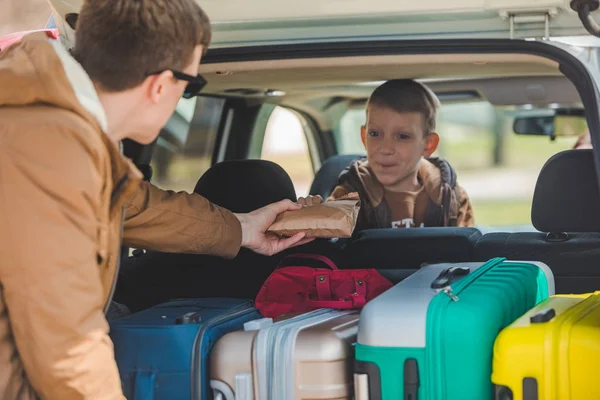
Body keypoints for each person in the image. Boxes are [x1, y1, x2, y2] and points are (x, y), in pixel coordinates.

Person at [0, 1, 312, 399]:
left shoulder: (53, 129)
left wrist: (243, 228)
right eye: (191, 85)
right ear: (160, 85)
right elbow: (68, 347)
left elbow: (132, 205)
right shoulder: (51, 148)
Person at [300, 79, 475, 229]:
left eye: (402, 136)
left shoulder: (451, 198)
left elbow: (467, 256)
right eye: (375, 134)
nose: (385, 148)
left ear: (428, 145)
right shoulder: (352, 192)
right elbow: (328, 233)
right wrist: (309, 219)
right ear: (363, 137)